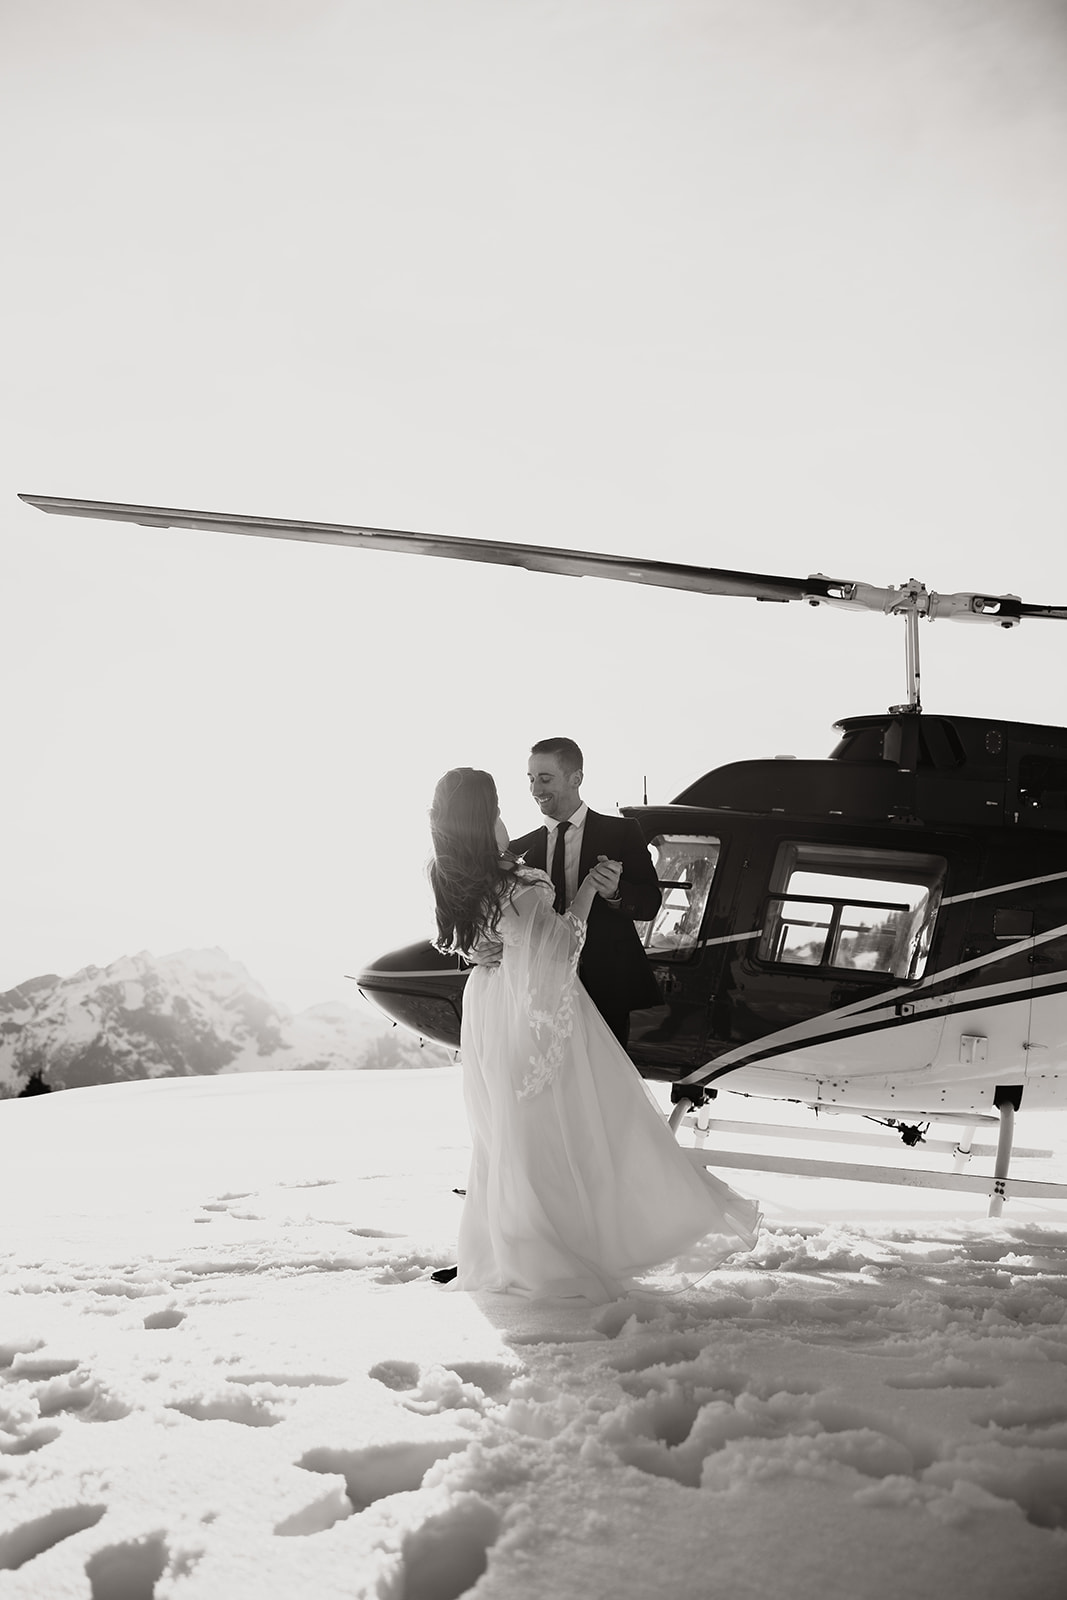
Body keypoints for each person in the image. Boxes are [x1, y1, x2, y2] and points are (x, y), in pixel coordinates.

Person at [428, 766, 761, 1303]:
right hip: (537, 1007)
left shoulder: (449, 873)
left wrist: (476, 948)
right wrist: (581, 892)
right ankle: (566, 1247)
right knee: (575, 1128)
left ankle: (502, 1249)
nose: (530, 792)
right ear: (484, 814)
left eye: (545, 776)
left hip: (491, 1008)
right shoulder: (521, 876)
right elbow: (559, 947)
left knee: (506, 1133)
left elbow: (463, 932)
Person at [509, 737, 662, 1046]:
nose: (535, 789)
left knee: (604, 1089)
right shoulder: (517, 850)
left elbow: (649, 904)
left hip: (607, 990)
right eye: (531, 779)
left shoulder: (623, 832)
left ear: (576, 778)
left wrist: (616, 893)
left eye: (545, 778)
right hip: (539, 996)